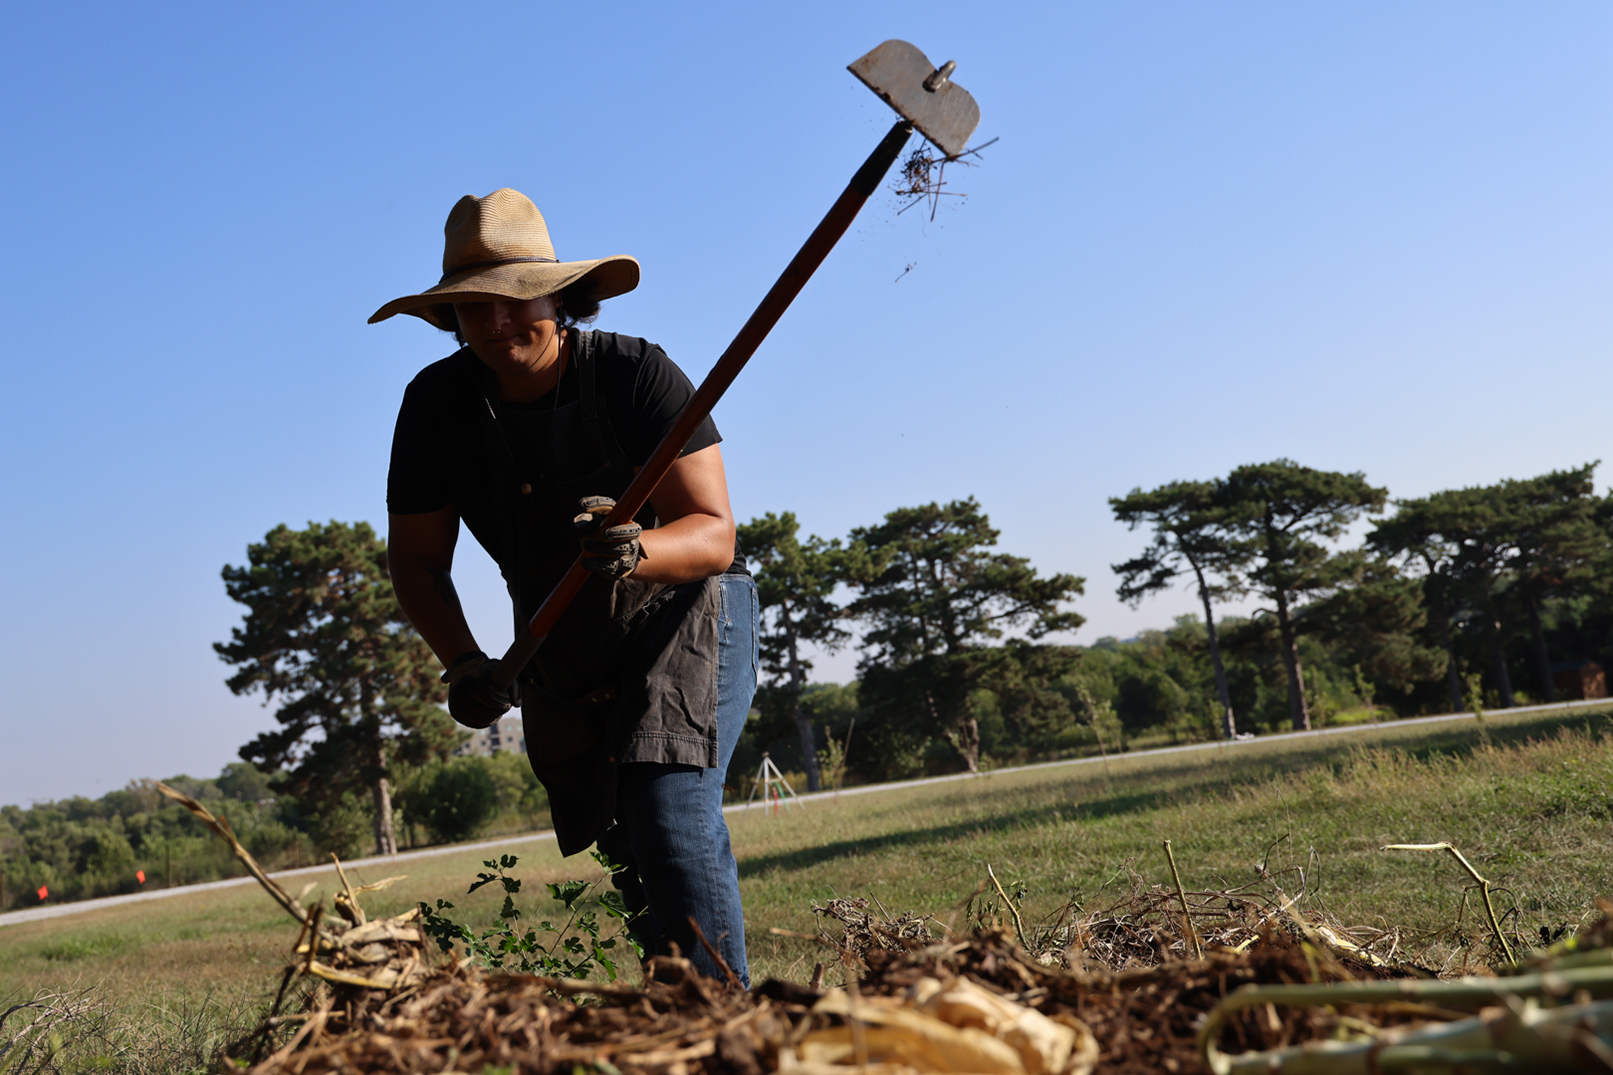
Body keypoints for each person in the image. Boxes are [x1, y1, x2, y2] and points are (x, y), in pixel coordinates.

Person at [372, 188, 754, 985]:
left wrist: (637, 549)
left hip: (688, 614)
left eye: (518, 299)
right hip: (561, 639)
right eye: (476, 306)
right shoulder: (436, 407)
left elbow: (713, 534)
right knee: (626, 848)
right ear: (453, 315)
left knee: (667, 810)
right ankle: (675, 1026)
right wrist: (464, 660)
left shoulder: (634, 373)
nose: (500, 322)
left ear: (559, 295)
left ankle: (727, 1029)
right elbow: (415, 562)